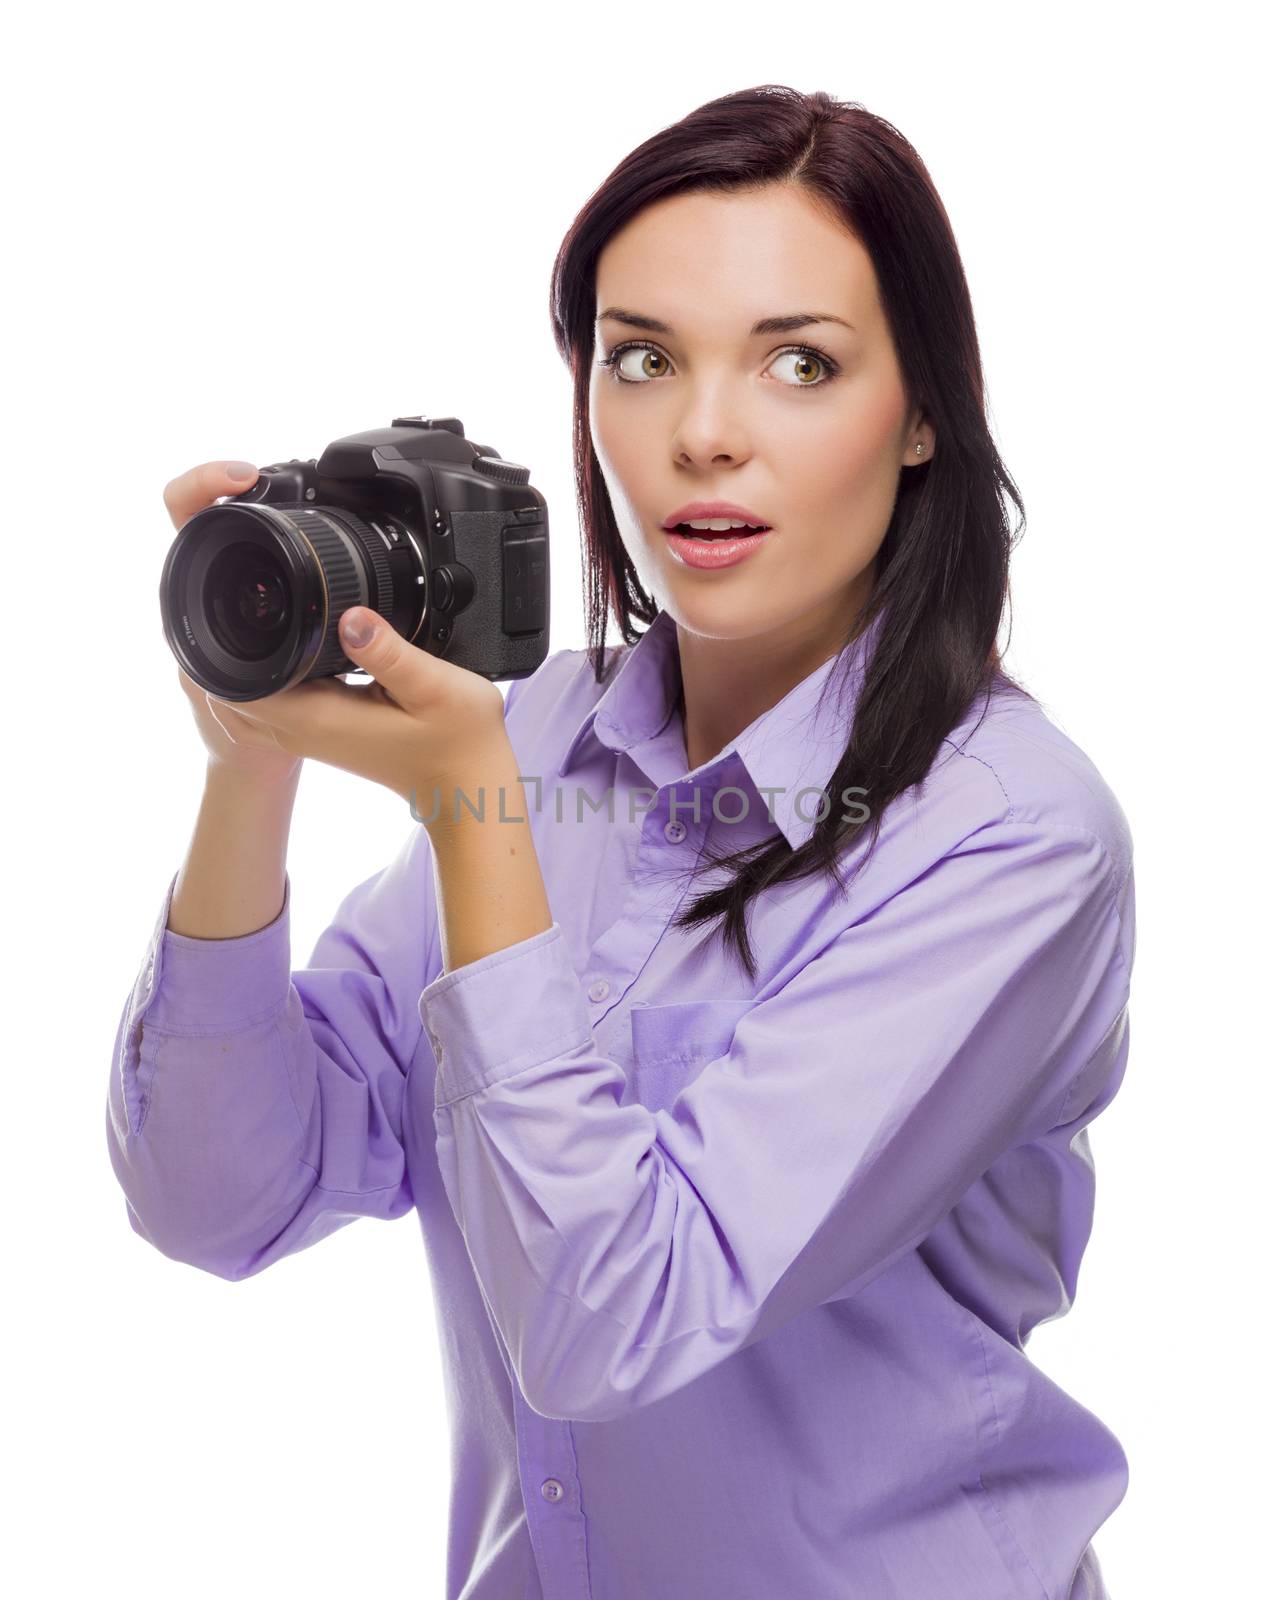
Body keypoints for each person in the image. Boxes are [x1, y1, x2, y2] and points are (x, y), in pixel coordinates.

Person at [106, 85, 1134, 1600]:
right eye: (642, 358)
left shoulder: (1010, 843)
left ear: (923, 412)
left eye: (799, 363)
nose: (702, 436)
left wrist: (469, 815)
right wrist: (253, 759)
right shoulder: (532, 738)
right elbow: (219, 1196)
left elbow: (617, 1314)